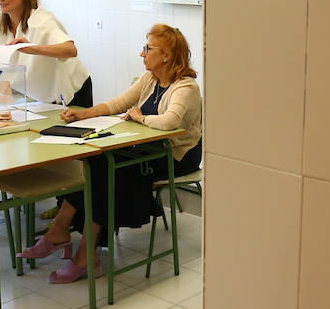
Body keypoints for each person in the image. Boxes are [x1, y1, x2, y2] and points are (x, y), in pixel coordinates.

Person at [17, 24, 202, 282]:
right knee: (92, 161)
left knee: (109, 171)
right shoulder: (149, 79)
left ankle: (81, 251)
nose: (142, 53)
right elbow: (118, 103)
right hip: (146, 147)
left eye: (148, 48)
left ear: (166, 55)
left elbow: (169, 123)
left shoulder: (186, 88)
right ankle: (66, 236)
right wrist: (83, 114)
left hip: (177, 154)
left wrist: (140, 116)